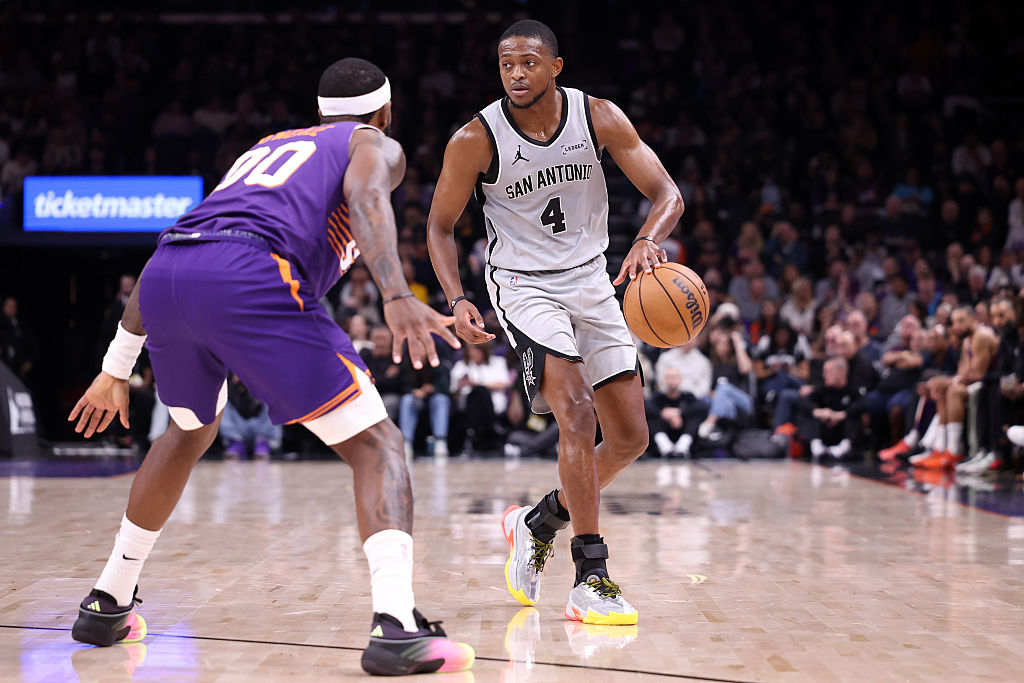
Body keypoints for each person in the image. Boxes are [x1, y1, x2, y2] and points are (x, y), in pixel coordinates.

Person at [67, 58, 474, 676]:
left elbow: (189, 237)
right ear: (385, 111)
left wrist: (114, 368)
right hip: (251, 274)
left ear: (320, 114)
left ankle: (108, 601)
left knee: (187, 432)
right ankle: (396, 627)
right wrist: (395, 295)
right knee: (378, 446)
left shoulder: (266, 147)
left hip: (170, 273)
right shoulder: (373, 143)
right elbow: (367, 196)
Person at [426, 20, 683, 625]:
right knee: (575, 411)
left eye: (528, 63)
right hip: (523, 285)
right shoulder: (475, 138)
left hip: (592, 278)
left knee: (630, 438)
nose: (516, 74)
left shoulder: (598, 117)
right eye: (506, 64)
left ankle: (538, 521)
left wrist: (647, 239)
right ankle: (591, 576)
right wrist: (457, 298)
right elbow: (439, 226)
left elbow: (667, 193)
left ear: (555, 67)